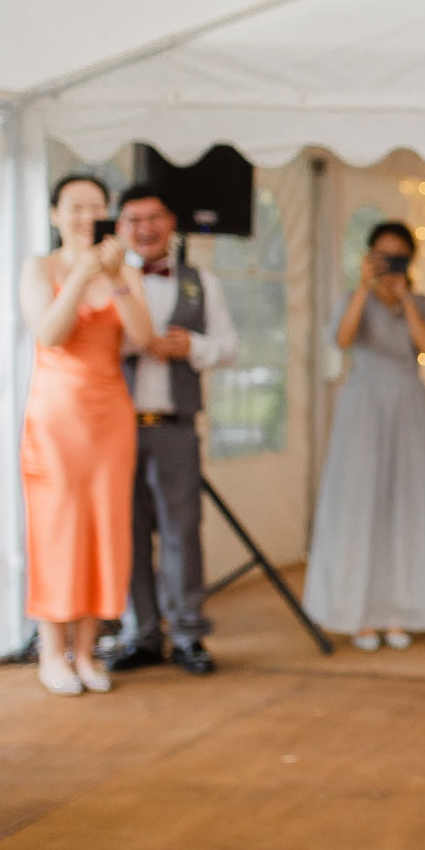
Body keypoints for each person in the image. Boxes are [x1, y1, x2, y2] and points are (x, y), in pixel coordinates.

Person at [18, 173, 152, 696]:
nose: (84, 217)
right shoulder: (39, 267)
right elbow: (49, 332)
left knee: (104, 526)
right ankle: (51, 652)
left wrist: (117, 277)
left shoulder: (125, 271)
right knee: (57, 527)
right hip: (55, 418)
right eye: (74, 207)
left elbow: (142, 337)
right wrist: (80, 274)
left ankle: (88, 650)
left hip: (110, 415)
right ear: (55, 214)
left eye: (95, 207)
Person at [302, 221, 425, 651]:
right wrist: (363, 288)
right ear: (369, 256)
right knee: (359, 503)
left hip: (408, 403)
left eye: (399, 255)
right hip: (363, 405)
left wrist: (404, 296)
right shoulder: (355, 300)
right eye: (382, 255)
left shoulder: (424, 302)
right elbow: (342, 339)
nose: (390, 262)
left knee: (406, 504)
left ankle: (399, 608)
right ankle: (359, 610)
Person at [103, 184, 237, 676]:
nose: (145, 227)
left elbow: (229, 346)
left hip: (175, 425)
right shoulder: (106, 280)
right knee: (128, 532)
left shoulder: (201, 282)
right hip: (115, 427)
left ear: (171, 222)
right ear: (120, 227)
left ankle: (187, 634)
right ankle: (140, 633)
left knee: (182, 531)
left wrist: (192, 347)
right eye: (134, 219)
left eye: (154, 217)